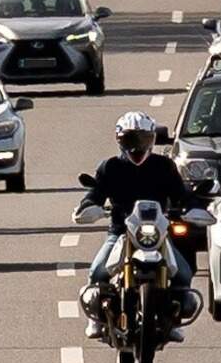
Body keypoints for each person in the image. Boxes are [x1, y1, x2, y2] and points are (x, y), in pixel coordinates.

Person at [81, 112, 198, 320]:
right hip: (120, 232)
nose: (137, 146)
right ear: (119, 140)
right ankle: (97, 320)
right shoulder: (110, 167)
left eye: (142, 139)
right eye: (130, 140)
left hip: (158, 233)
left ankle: (176, 319)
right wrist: (89, 206)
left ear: (152, 140)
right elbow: (95, 193)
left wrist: (192, 206)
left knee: (183, 273)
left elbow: (181, 194)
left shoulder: (164, 166)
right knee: (97, 272)